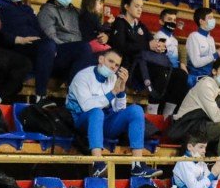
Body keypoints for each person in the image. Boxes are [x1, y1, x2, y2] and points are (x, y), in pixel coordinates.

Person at [65, 49, 157, 178]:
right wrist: (113, 92)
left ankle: (137, 165)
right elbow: (87, 106)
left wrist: (121, 91)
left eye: (117, 65)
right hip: (83, 121)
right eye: (110, 61)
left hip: (105, 122)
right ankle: (97, 163)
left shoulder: (113, 78)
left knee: (136, 110)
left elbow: (120, 109)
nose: (113, 66)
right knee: (97, 112)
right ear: (101, 59)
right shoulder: (83, 76)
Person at [36, 0, 94, 88]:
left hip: (79, 52)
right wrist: (74, 48)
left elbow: (88, 33)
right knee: (84, 48)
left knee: (105, 59)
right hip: (57, 54)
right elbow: (49, 37)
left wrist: (103, 37)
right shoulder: (47, 10)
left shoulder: (77, 12)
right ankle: (74, 93)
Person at [184, 7, 220, 82]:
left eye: (213, 18)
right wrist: (216, 55)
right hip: (197, 77)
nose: (213, 20)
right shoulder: (193, 36)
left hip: (211, 75)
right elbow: (196, 63)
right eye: (210, 18)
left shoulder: (211, 38)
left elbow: (213, 59)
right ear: (201, 21)